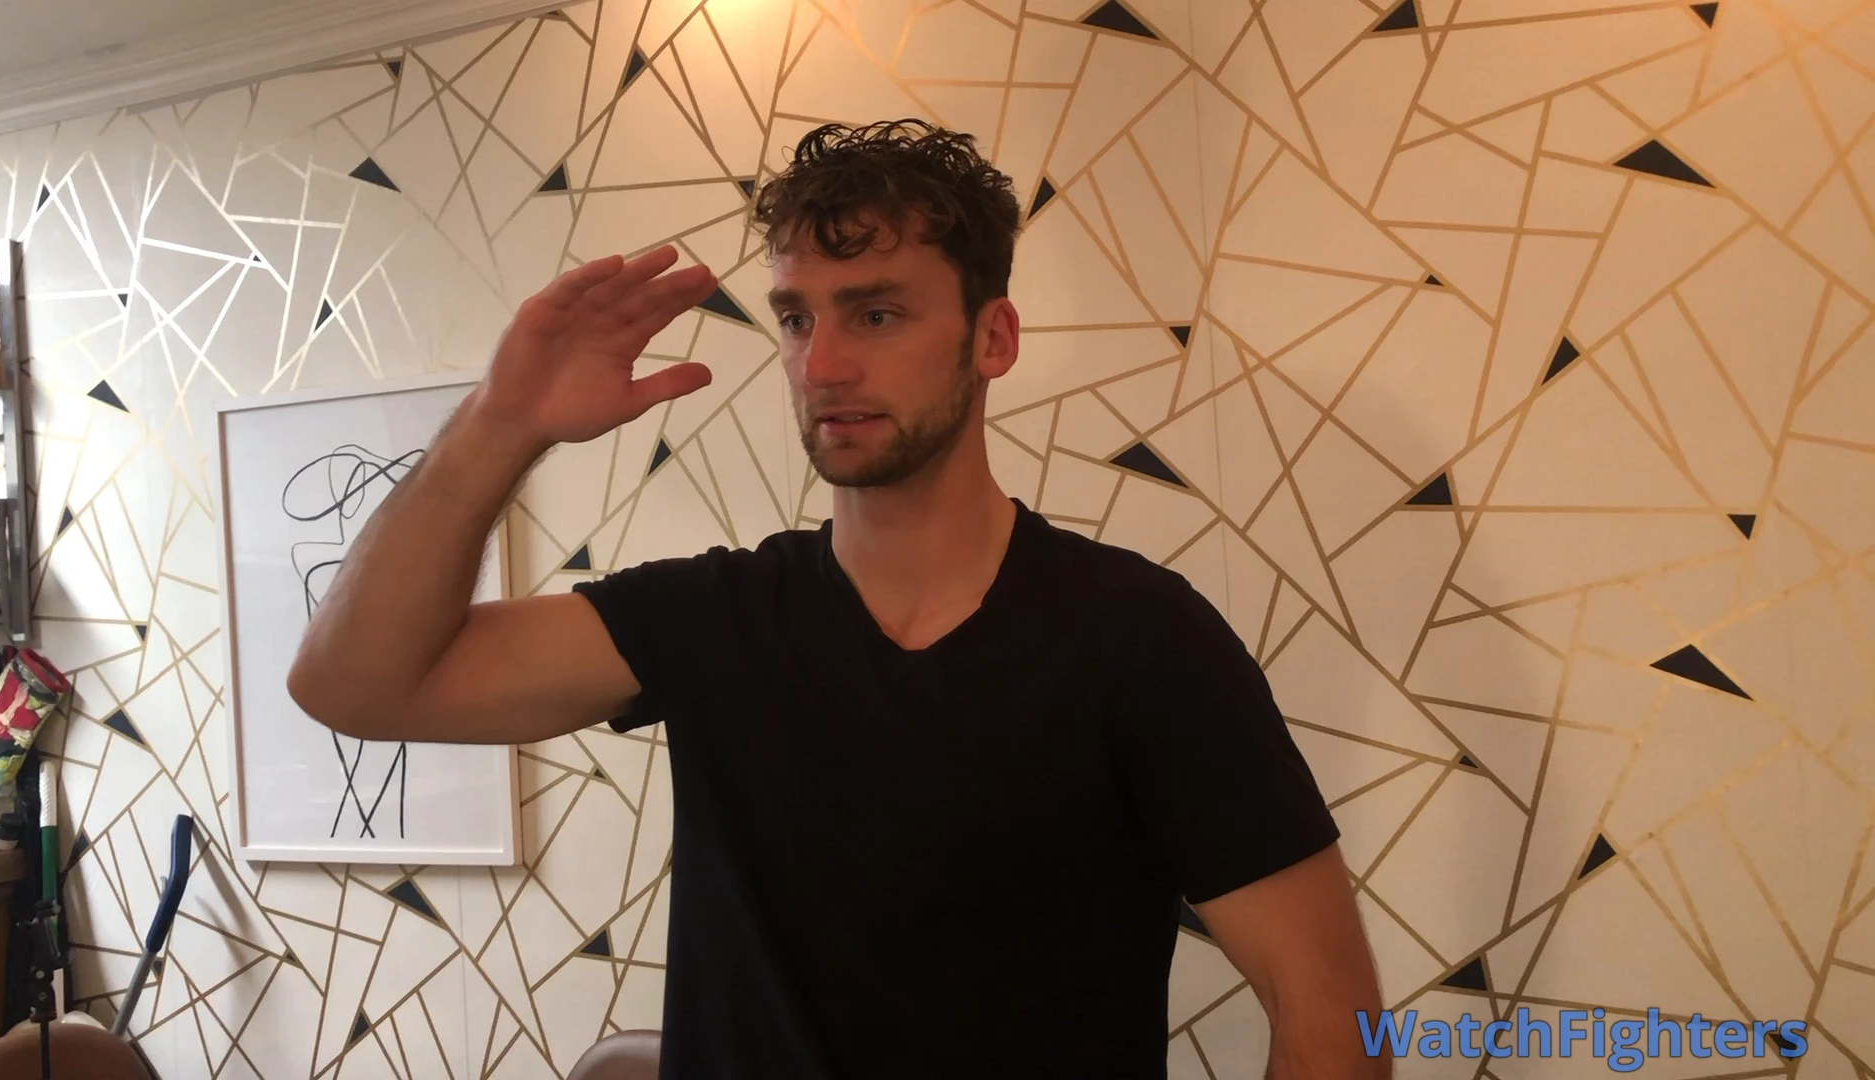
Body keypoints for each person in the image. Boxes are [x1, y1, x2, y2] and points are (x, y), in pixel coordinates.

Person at [289, 119, 1387, 1079]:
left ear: (992, 338)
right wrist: (501, 421)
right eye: (796, 319)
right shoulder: (711, 621)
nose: (820, 368)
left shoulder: (1140, 641)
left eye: (875, 316)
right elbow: (354, 686)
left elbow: (1331, 1012)